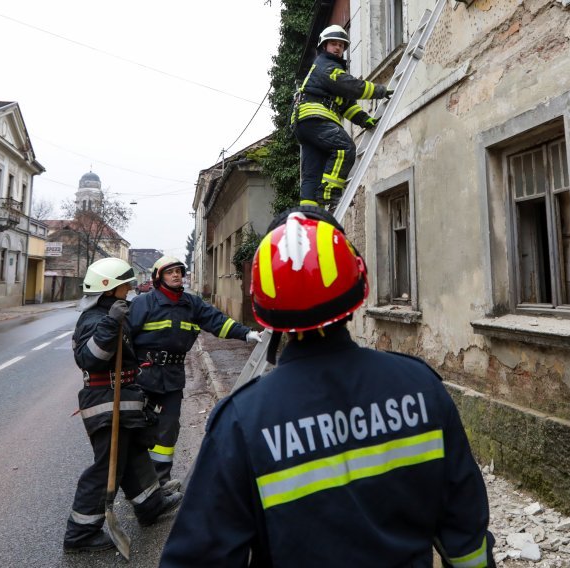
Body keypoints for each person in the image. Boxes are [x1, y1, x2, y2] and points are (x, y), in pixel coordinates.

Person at [160, 207, 497, 567]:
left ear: (265, 308)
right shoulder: (422, 388)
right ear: (358, 290)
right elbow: (466, 538)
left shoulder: (242, 423)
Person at [64, 257, 182, 553]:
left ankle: (150, 506)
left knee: (134, 455)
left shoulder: (114, 312)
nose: (129, 288)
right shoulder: (95, 319)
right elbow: (89, 359)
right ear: (108, 288)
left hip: (122, 398)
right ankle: (80, 534)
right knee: (108, 468)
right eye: (124, 284)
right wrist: (109, 323)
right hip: (105, 402)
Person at [128, 255, 263, 488]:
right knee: (139, 426)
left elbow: (217, 321)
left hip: (172, 377)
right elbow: (126, 338)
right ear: (159, 277)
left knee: (168, 427)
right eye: (170, 272)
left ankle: (160, 482)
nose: (176, 275)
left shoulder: (192, 304)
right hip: (143, 376)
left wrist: (246, 334)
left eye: (179, 271)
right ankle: (137, 483)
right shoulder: (144, 303)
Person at [291, 25, 393, 210]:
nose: (338, 48)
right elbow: (350, 87)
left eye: (341, 45)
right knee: (344, 148)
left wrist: (363, 119)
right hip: (315, 117)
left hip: (305, 124)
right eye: (333, 44)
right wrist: (379, 90)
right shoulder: (326, 66)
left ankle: (308, 213)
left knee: (312, 173)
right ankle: (329, 193)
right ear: (324, 46)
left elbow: (344, 104)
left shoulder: (325, 69)